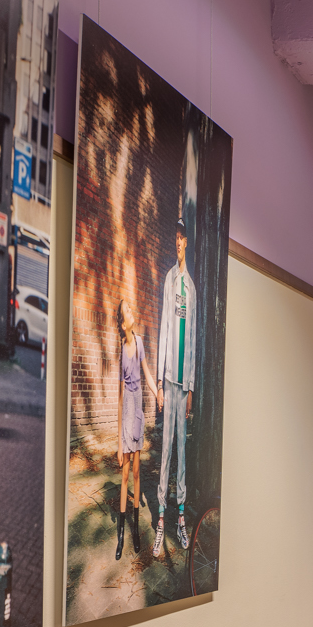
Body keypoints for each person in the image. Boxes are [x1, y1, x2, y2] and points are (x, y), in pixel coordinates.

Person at [154, 214, 197, 557]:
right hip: (168, 381)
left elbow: (192, 338)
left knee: (182, 450)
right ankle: (160, 519)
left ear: (188, 242)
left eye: (182, 237)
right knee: (166, 449)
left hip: (184, 386)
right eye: (176, 237)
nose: (178, 241)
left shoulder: (191, 289)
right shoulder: (169, 280)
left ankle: (181, 517)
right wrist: (158, 380)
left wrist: (191, 387)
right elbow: (164, 329)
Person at [113, 297, 158, 560]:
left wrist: (157, 392)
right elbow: (120, 399)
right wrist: (119, 443)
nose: (132, 312)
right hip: (127, 410)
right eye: (127, 311)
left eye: (131, 309)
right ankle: (121, 535)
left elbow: (147, 373)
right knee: (125, 473)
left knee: (138, 472)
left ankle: (137, 530)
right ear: (123, 323)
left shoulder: (139, 343)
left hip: (138, 409)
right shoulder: (122, 352)